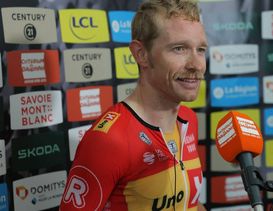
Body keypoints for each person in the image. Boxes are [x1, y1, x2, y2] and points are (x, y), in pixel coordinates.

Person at [60, 0, 208, 210]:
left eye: (200, 49)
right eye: (179, 48)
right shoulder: (109, 140)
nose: (196, 64)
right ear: (141, 54)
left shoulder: (188, 119)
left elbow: (190, 204)